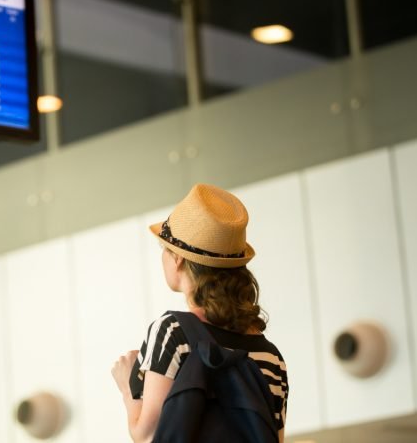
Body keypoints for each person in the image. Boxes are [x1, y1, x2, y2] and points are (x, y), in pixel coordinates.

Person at [111, 183, 288, 443]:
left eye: (164, 249)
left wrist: (128, 385)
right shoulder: (271, 356)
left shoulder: (172, 331)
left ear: (178, 258)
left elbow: (149, 435)